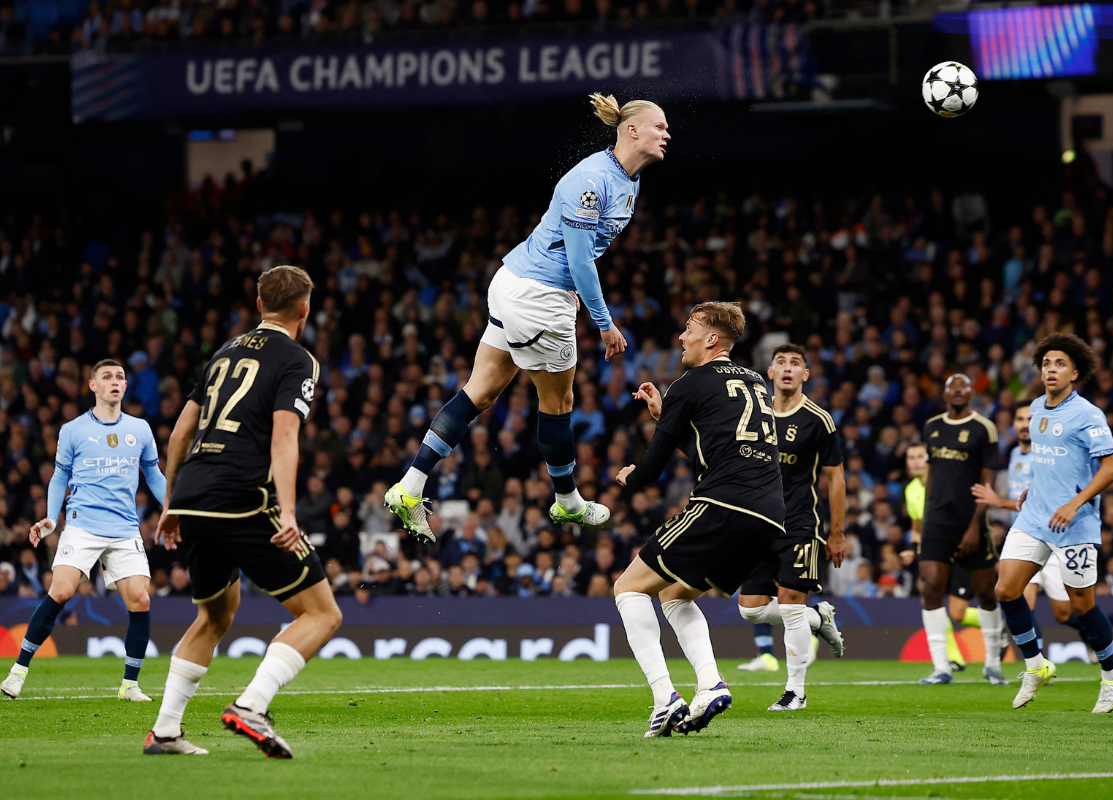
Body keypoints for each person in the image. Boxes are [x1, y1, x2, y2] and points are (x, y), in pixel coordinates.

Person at [384, 93, 670, 537]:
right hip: (539, 297)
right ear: (632, 130)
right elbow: (579, 261)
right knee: (559, 404)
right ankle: (567, 502)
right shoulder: (593, 181)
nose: (667, 133)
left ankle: (409, 484)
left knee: (480, 391)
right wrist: (604, 322)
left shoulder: (628, 180)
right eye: (660, 126)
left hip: (516, 284)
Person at [144, 266, 344, 757]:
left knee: (216, 614)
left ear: (258, 305)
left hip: (193, 495)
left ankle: (165, 731)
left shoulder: (224, 352)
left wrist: (172, 502)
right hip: (241, 497)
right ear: (304, 309)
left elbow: (179, 433)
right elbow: (284, 435)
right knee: (321, 614)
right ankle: (251, 704)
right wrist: (290, 511)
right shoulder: (298, 360)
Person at [612, 302, 783, 737]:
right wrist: (667, 413)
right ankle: (710, 685)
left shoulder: (691, 383)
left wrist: (631, 476)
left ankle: (664, 699)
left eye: (690, 328)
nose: (682, 337)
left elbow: (652, 470)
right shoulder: (756, 382)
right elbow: (717, 448)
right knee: (674, 593)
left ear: (711, 339)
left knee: (628, 587)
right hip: (768, 517)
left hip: (722, 504)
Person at [1, 360, 165, 702]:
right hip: (83, 524)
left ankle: (129, 685)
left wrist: (173, 511)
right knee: (61, 591)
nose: (115, 382)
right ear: (93, 386)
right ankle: (18, 671)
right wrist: (50, 518)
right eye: (107, 377)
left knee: (140, 599)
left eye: (120, 377)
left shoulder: (141, 429)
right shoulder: (73, 430)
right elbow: (59, 477)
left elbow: (154, 476)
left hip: (124, 528)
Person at [995, 333, 1113, 713]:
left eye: (1059, 364)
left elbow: (1112, 467)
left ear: (1075, 373)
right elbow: (1051, 460)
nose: (1051, 370)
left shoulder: (1088, 415)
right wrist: (1032, 488)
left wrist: (1074, 503)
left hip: (1074, 522)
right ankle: (1036, 666)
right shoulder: (1037, 407)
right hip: (1036, 514)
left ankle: (1112, 675)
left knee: (1080, 607)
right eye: (1046, 363)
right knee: (1006, 589)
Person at [735, 343, 847, 711]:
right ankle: (818, 617)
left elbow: (836, 478)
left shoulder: (818, 420)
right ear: (769, 373)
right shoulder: (753, 414)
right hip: (758, 525)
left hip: (800, 524)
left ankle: (795, 691)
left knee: (790, 605)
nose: (786, 368)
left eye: (795, 363)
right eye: (780, 362)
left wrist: (837, 533)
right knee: (750, 609)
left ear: (805, 375)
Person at [973, 402, 1095, 654]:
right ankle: (1038, 663)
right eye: (1019, 419)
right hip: (1027, 534)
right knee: (1020, 600)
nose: (1024, 424)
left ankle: (1091, 635)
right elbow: (1023, 502)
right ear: (1013, 425)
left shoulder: (1047, 454)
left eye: (1030, 419)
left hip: (1053, 536)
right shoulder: (1015, 455)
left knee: (1063, 613)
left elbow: (1038, 500)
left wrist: (998, 503)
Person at [915, 374, 1007, 686]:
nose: (957, 391)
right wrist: (927, 517)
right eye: (952, 386)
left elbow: (987, 481)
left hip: (972, 522)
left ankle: (993, 663)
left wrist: (975, 526)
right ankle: (941, 667)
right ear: (944, 393)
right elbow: (932, 473)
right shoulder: (932, 426)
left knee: (985, 592)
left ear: (971, 393)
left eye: (963, 386)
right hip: (937, 522)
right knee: (931, 587)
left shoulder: (984, 428)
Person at [903, 442, 969, 672]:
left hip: (957, 547)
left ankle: (995, 624)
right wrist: (913, 548)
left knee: (958, 611)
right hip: (931, 551)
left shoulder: (944, 483)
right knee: (930, 600)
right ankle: (953, 658)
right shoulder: (911, 489)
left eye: (920, 456)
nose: (916, 461)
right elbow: (917, 527)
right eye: (911, 457)